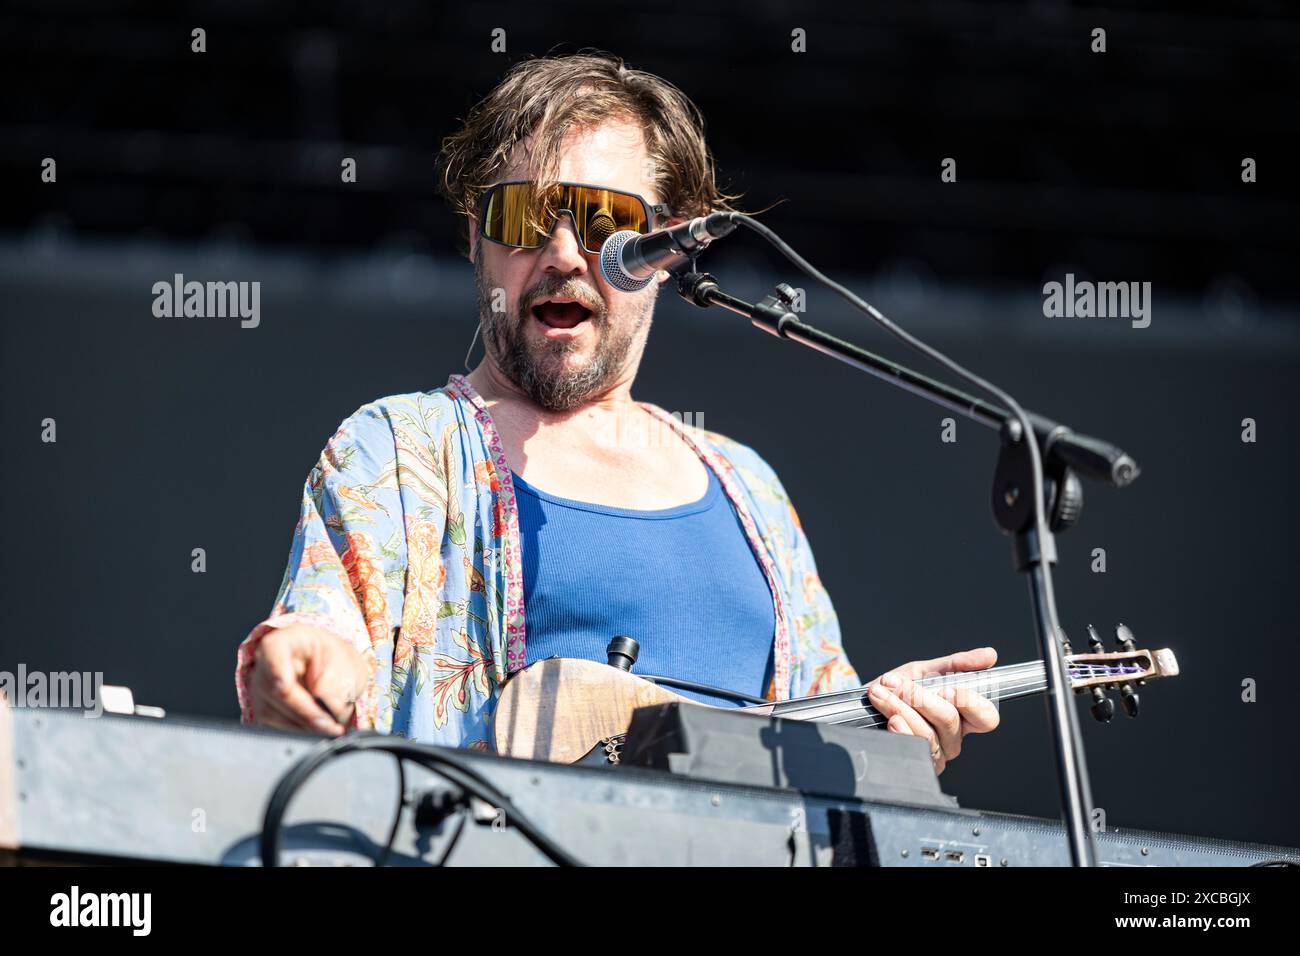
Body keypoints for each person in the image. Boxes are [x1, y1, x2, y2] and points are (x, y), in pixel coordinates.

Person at [236, 51, 1000, 773]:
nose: (566, 252)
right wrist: (299, 664)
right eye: (525, 216)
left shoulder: (750, 489)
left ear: (669, 246)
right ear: (476, 237)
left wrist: (895, 738)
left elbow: (813, 743)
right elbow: (322, 635)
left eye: (605, 219)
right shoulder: (397, 452)